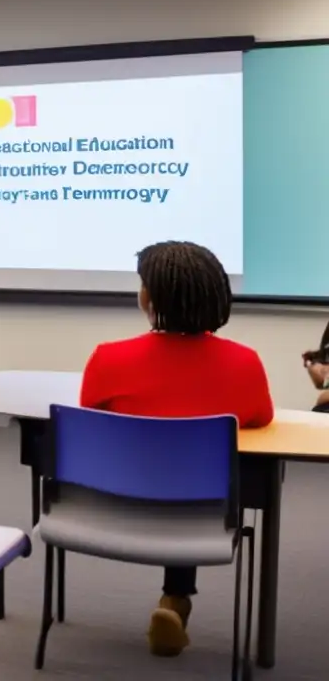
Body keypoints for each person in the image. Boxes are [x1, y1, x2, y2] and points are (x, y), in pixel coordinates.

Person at [79, 240, 273, 659]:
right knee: (191, 480)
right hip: (205, 518)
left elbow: (90, 421)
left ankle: (174, 601)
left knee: (163, 472)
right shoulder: (244, 363)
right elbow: (260, 419)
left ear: (147, 297)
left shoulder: (108, 359)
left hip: (109, 512)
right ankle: (176, 599)